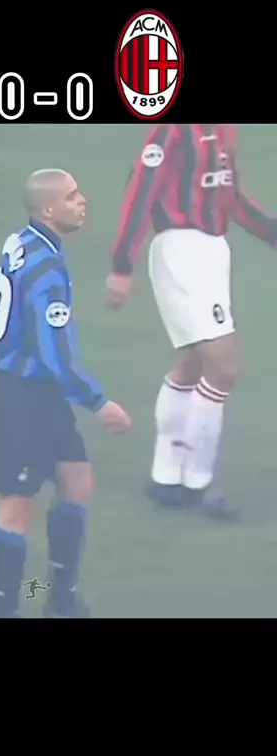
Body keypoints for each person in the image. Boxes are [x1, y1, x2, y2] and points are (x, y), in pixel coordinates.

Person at [0, 168, 132, 618]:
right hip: (21, 395)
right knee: (17, 506)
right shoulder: (46, 268)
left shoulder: (21, 242)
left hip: (34, 390)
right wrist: (98, 402)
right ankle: (5, 611)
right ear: (48, 209)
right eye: (71, 196)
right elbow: (54, 355)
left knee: (77, 480)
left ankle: (57, 597)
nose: (82, 201)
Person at [105, 124, 277, 519]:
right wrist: (122, 265)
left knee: (191, 361)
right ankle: (198, 483)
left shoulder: (225, 129)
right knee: (224, 365)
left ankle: (166, 478)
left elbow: (228, 195)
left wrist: (270, 232)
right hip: (182, 248)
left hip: (213, 251)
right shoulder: (173, 129)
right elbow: (141, 190)